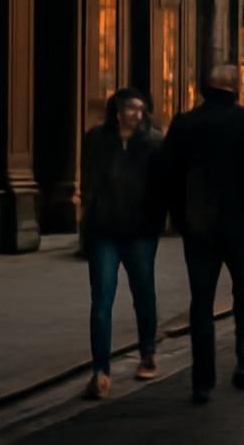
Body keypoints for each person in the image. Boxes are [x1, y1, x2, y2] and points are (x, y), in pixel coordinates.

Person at [158, 64, 244, 405]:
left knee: (201, 302)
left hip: (199, 225)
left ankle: (202, 379)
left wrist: (179, 217)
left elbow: (167, 176)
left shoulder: (185, 124)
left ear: (205, 89)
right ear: (237, 88)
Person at [79, 88, 164, 399]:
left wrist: (154, 222)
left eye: (142, 109)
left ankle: (148, 353)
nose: (137, 114)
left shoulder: (154, 142)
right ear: (117, 110)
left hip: (140, 233)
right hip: (104, 232)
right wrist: (88, 221)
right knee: (101, 301)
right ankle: (100, 371)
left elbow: (162, 187)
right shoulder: (95, 140)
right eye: (132, 108)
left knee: (143, 294)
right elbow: (88, 182)